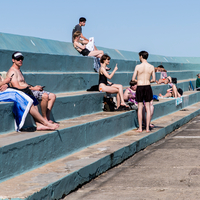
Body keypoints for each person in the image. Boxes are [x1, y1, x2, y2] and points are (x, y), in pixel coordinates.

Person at [7, 51, 57, 124]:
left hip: (29, 90)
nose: (20, 60)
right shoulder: (12, 71)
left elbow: (24, 84)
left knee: (53, 96)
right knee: (45, 96)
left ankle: (46, 117)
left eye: (21, 58)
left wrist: (34, 87)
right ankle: (45, 119)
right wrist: (34, 89)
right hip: (23, 92)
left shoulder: (19, 70)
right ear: (13, 60)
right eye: (18, 59)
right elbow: (17, 87)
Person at [132, 51, 155, 132]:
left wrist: (138, 80)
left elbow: (133, 79)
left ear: (141, 56)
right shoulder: (151, 67)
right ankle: (148, 128)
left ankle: (140, 128)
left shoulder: (138, 66)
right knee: (148, 108)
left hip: (140, 86)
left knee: (140, 107)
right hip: (148, 86)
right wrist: (148, 80)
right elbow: (154, 79)